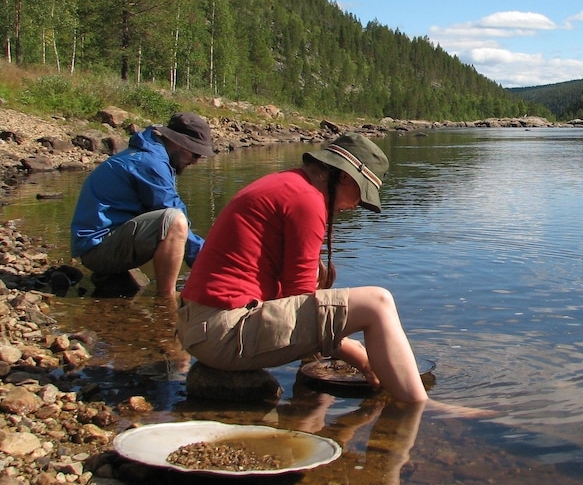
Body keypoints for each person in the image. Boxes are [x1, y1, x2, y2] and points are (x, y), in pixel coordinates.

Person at [175, 133, 429, 403]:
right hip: (223, 334)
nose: (355, 206)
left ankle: (310, 411)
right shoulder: (307, 200)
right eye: (360, 195)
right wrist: (353, 352)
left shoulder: (289, 185)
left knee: (321, 275)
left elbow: (299, 295)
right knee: (378, 303)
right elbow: (299, 298)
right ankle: (419, 408)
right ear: (343, 177)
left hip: (202, 328)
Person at [70, 112, 214, 298]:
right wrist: (211, 262)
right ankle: (166, 299)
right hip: (97, 250)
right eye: (195, 153)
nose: (195, 161)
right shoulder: (150, 163)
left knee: (174, 219)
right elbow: (175, 217)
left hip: (101, 245)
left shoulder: (153, 155)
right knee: (174, 221)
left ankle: (113, 280)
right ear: (178, 143)